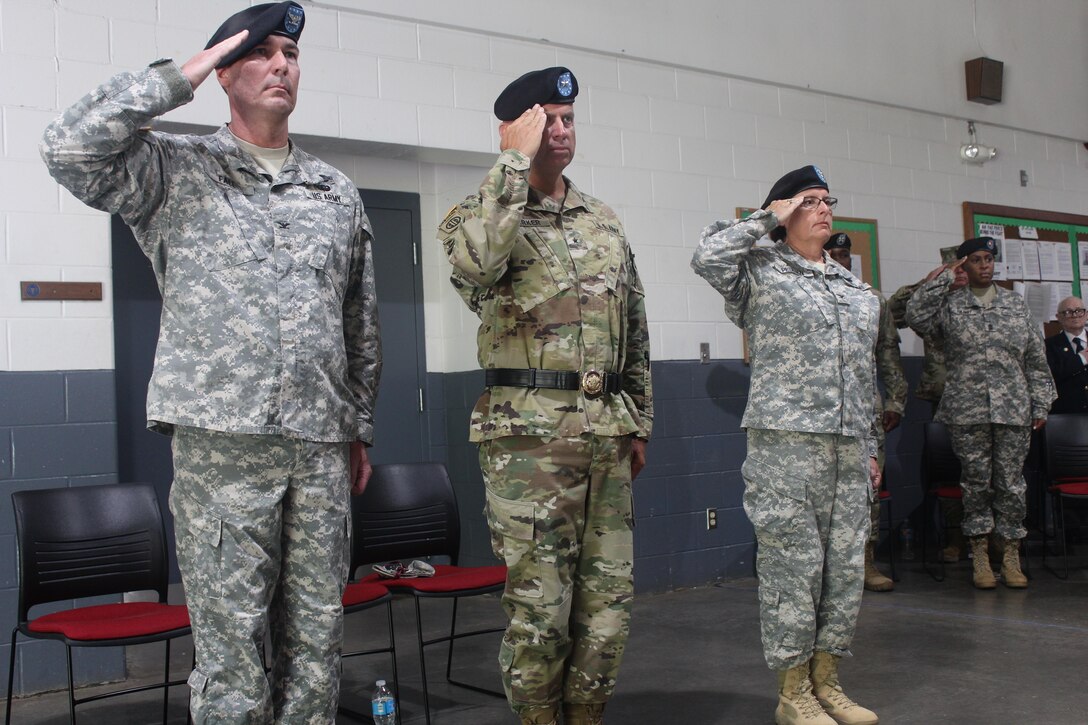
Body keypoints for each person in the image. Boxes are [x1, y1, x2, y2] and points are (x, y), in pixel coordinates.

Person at [40, 3, 382, 721]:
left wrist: (360, 427)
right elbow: (68, 147)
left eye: (291, 52)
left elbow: (359, 322)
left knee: (318, 648)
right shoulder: (173, 170)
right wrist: (183, 74)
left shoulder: (335, 192)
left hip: (319, 448)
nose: (282, 64)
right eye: (261, 52)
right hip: (223, 449)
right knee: (231, 657)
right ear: (226, 69)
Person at [438, 67, 652, 725]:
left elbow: (635, 328)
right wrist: (512, 159)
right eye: (545, 120)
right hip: (529, 444)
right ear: (515, 129)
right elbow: (475, 266)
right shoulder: (477, 217)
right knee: (540, 609)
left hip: (606, 435)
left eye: (567, 120)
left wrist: (639, 418)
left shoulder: (603, 222)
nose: (559, 132)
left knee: (608, 602)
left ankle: (586, 714)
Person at [692, 166, 880, 725]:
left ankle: (828, 680)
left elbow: (866, 376)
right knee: (792, 568)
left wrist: (871, 448)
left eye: (828, 201)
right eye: (809, 201)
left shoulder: (855, 289)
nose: (824, 209)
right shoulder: (758, 269)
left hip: (848, 447)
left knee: (843, 569)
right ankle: (792, 691)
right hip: (786, 445)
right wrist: (765, 217)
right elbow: (706, 256)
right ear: (783, 209)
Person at [906, 237, 1054, 590]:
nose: (985, 265)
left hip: (1013, 409)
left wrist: (1041, 402)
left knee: (1011, 484)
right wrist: (945, 276)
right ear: (964, 265)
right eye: (976, 259)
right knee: (974, 484)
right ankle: (981, 556)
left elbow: (1035, 358)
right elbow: (914, 314)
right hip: (967, 409)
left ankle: (1011, 555)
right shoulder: (950, 305)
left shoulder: (1015, 306)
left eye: (989, 259)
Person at [826, 233, 906, 593]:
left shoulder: (872, 300)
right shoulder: (807, 295)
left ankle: (866, 562)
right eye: (834, 253)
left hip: (864, 410)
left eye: (846, 254)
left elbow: (888, 354)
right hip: (819, 410)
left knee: (867, 489)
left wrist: (895, 401)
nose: (841, 260)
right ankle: (828, 569)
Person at [888, 247, 968, 563]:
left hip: (985, 399)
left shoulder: (987, 301)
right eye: (954, 269)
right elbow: (892, 312)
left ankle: (989, 538)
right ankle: (955, 536)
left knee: (985, 472)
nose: (960, 274)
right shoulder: (931, 302)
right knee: (949, 470)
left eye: (965, 268)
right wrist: (926, 283)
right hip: (944, 397)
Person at [1045, 296, 1088, 414]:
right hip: (1066, 415)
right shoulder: (1048, 345)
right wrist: (1081, 359)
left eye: (1079, 310)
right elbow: (1048, 377)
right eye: (1068, 312)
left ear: (1086, 314)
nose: (1075, 315)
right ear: (1059, 317)